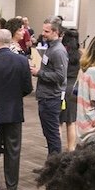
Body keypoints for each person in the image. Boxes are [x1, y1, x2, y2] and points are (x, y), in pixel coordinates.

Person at [0, 29, 33, 190]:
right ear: (10, 42)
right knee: (13, 152)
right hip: (14, 112)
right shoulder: (22, 61)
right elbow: (27, 88)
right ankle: (12, 188)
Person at [32, 16, 68, 157]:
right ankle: (51, 165)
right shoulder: (51, 48)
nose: (43, 34)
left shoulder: (58, 51)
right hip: (46, 97)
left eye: (46, 31)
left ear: (55, 32)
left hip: (51, 99)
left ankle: (55, 167)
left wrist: (38, 73)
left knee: (52, 136)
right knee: (49, 134)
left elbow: (60, 76)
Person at [60, 28, 81, 151]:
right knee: (71, 121)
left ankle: (56, 150)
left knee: (58, 122)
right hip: (73, 89)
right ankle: (71, 148)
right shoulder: (80, 54)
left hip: (61, 87)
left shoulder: (62, 52)